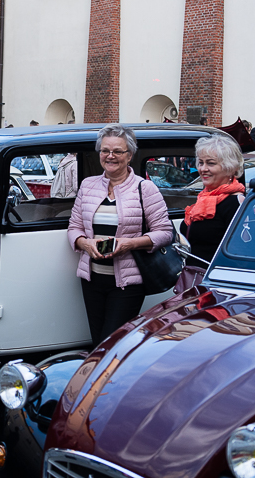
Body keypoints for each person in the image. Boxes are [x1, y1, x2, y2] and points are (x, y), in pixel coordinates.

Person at [67, 124, 173, 347]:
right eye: (105, 151)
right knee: (97, 342)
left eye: (117, 151)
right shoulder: (88, 186)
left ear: (129, 156)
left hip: (127, 283)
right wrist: (85, 244)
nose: (110, 156)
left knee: (112, 343)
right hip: (92, 278)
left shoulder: (145, 189)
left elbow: (165, 233)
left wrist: (130, 244)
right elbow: (74, 227)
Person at [180, 134, 245, 269]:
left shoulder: (236, 203)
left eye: (211, 163)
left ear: (230, 167)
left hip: (219, 283)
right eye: (201, 163)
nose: (203, 169)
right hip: (196, 279)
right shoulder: (204, 198)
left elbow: (241, 254)